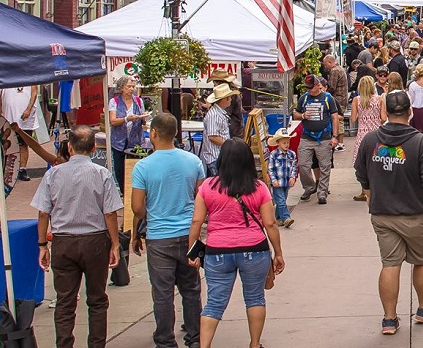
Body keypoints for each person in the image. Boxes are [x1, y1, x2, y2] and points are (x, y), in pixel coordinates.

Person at [354, 90, 423, 335]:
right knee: (422, 260)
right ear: (410, 111)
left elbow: (360, 172)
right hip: (414, 213)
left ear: (385, 112)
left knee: (390, 264)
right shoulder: (421, 142)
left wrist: (368, 192)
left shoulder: (370, 140)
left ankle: (389, 319)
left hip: (382, 213)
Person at [188, 139, 285, 348]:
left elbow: (196, 220)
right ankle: (255, 344)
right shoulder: (259, 187)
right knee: (255, 298)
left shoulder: (207, 187)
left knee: (214, 303)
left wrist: (192, 250)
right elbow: (270, 223)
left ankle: (204, 346)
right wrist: (278, 252)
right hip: (254, 250)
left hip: (217, 251)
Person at [33, 126, 123, 348]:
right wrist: (115, 243)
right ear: (93, 148)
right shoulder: (101, 173)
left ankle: (64, 344)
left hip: (64, 241)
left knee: (65, 301)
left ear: (70, 148)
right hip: (94, 241)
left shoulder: (53, 174)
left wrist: (42, 245)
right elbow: (110, 213)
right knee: (97, 299)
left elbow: (43, 212)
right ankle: (96, 344)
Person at [130, 113, 205, 348]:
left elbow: (137, 207)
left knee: (162, 293)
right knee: (191, 288)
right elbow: (201, 198)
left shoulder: (143, 166)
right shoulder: (194, 161)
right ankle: (194, 336)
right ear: (176, 134)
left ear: (153, 133)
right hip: (188, 234)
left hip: (159, 236)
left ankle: (165, 340)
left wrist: (148, 218)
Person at [294, 75, 340, 204]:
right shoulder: (304, 98)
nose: (308, 90)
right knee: (303, 164)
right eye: (307, 87)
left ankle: (322, 193)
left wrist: (335, 136)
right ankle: (309, 187)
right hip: (306, 137)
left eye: (310, 87)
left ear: (317, 85)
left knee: (325, 166)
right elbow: (296, 114)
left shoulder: (328, 98)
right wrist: (302, 115)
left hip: (324, 138)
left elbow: (335, 117)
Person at [107, 77, 150, 188]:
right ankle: (123, 190)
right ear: (121, 88)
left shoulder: (139, 101)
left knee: (135, 168)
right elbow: (113, 121)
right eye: (129, 86)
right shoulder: (114, 101)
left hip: (135, 140)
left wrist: (144, 117)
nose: (131, 89)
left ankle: (133, 191)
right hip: (119, 141)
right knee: (119, 169)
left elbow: (143, 122)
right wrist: (127, 119)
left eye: (133, 87)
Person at [0, 86, 42, 181]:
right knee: (7, 143)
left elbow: (34, 93)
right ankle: (8, 169)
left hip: (23, 116)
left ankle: (22, 169)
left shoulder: (29, 76)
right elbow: (1, 94)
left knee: (23, 143)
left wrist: (28, 109)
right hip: (8, 114)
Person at [351, 77, 384, 202]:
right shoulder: (379, 99)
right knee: (377, 160)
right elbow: (383, 118)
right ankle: (377, 189)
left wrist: (362, 114)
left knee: (362, 163)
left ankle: (364, 190)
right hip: (377, 134)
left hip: (362, 135)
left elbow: (353, 119)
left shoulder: (356, 100)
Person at [199, 84, 237, 177]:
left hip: (219, 157)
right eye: (229, 97)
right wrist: (229, 146)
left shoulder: (218, 113)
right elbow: (213, 137)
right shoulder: (214, 115)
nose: (231, 99)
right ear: (225, 99)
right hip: (216, 157)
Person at [268, 129, 298, 226]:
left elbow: (294, 167)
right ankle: (286, 218)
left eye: (288, 142)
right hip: (277, 182)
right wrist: (273, 180)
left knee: (282, 200)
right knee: (281, 201)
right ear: (278, 143)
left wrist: (292, 177)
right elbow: (271, 169)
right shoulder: (274, 155)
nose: (286, 145)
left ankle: (278, 218)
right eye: (284, 143)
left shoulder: (291, 154)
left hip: (286, 182)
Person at [323, 54, 350, 150]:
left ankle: (340, 143)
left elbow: (331, 87)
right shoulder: (340, 68)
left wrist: (323, 94)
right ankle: (340, 143)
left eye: (326, 64)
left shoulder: (334, 71)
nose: (325, 67)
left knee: (339, 120)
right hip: (342, 98)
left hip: (338, 99)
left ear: (330, 62)